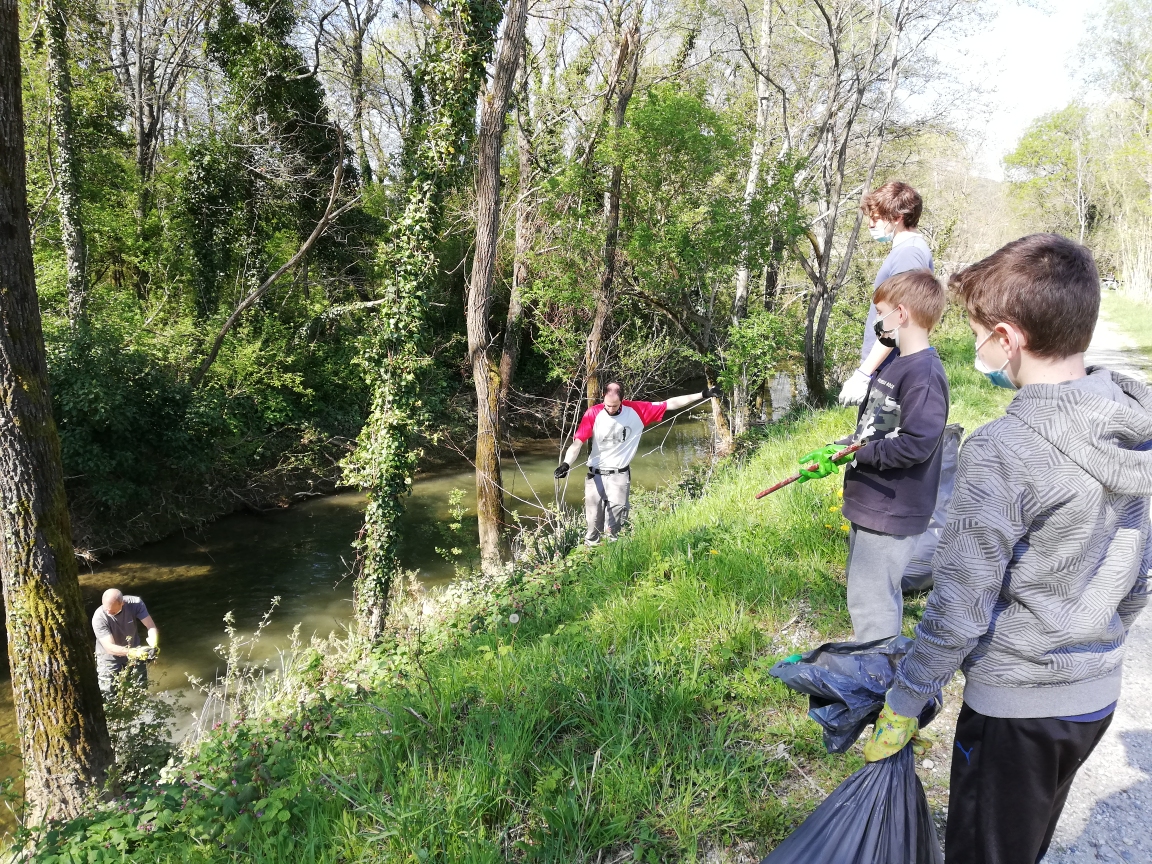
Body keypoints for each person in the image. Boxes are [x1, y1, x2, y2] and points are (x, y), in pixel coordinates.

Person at [862, 234, 1152, 864]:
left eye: (977, 334)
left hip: (1015, 709)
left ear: (1008, 336)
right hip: (1096, 695)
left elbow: (961, 607)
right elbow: (1139, 576)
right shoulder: (1132, 422)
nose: (978, 350)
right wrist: (1095, 636)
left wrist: (905, 700)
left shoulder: (1003, 448)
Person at [797, 269, 949, 641]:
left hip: (892, 509)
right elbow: (876, 428)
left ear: (901, 314)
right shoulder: (895, 361)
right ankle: (879, 658)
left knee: (871, 600)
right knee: (870, 592)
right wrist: (840, 447)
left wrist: (857, 454)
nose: (878, 322)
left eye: (881, 312)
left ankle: (875, 674)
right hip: (873, 502)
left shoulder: (924, 375)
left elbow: (917, 443)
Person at [556, 382, 721, 545]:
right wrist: (566, 464)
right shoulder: (593, 412)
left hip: (619, 477)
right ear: (603, 399)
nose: (610, 409)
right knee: (592, 524)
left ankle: (611, 561)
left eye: (614, 406)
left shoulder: (636, 410)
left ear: (623, 399)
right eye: (607, 405)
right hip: (594, 476)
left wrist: (703, 394)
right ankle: (588, 555)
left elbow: (670, 403)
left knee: (613, 527)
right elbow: (577, 443)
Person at [839, 181, 934, 407]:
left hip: (891, 368)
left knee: (876, 440)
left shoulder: (909, 254)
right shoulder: (905, 250)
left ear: (897, 216)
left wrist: (864, 373)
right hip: (887, 366)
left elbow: (899, 319)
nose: (871, 224)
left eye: (876, 217)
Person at [92, 588, 159, 694]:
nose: (108, 612)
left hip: (134, 650)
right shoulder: (99, 617)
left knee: (140, 688)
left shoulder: (135, 603)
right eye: (106, 609)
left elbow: (150, 626)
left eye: (112, 611)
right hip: (109, 658)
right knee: (108, 693)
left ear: (122, 603)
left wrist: (154, 642)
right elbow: (110, 648)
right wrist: (134, 652)